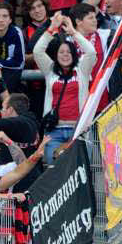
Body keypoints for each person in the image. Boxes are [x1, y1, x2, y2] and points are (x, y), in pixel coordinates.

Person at [33, 11, 96, 162]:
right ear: (56, 55)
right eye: (61, 52)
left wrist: (74, 33)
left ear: (74, 54)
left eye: (69, 52)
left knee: (82, 170)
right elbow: (37, 51)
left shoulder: (82, 69)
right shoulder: (50, 70)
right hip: (54, 131)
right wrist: (51, 29)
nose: (65, 55)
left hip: (78, 130)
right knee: (53, 172)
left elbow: (91, 52)